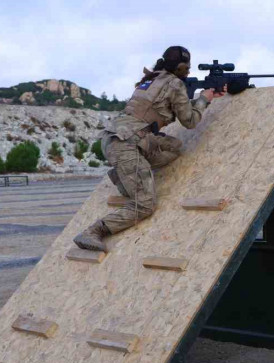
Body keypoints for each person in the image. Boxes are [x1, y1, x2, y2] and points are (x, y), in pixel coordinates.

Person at [74, 46, 226, 251]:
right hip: (126, 144)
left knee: (174, 146)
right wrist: (203, 100)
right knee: (145, 204)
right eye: (186, 67)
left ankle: (129, 174)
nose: (189, 71)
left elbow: (165, 106)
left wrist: (200, 98)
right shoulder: (174, 83)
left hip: (119, 138)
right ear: (180, 67)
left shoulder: (153, 78)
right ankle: (94, 231)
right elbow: (190, 121)